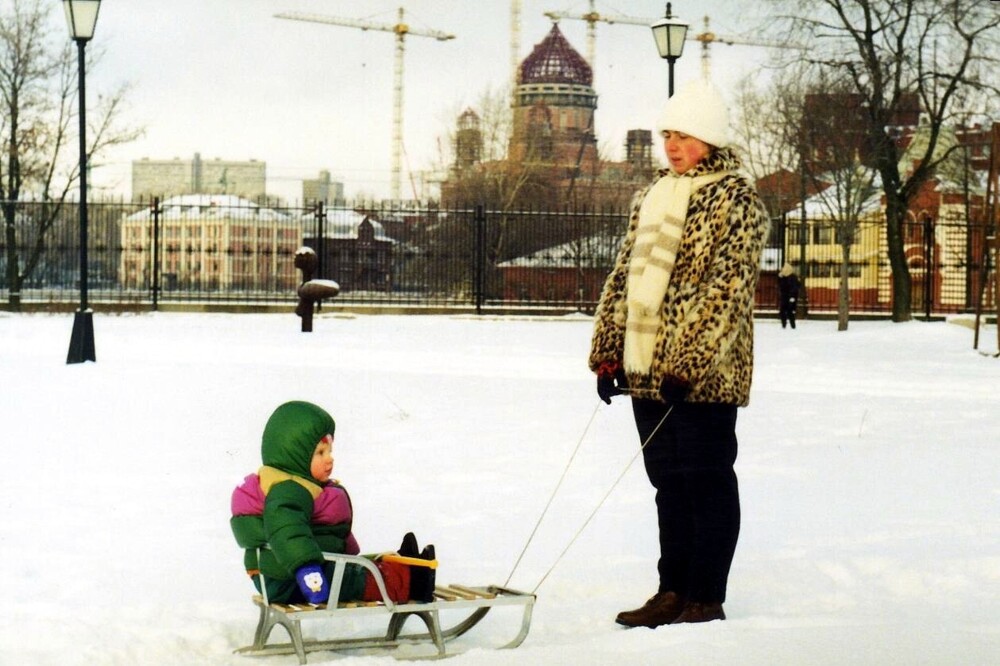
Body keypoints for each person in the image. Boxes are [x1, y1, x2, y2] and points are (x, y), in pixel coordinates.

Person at [589, 80, 769, 628]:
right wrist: (609, 352)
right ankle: (672, 591)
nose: (672, 145)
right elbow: (626, 275)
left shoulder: (738, 199)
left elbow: (727, 290)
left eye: (685, 136)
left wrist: (687, 363)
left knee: (705, 478)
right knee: (667, 480)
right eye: (668, 134)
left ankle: (705, 596)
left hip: (704, 375)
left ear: (710, 140)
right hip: (647, 369)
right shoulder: (651, 194)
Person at [230, 400, 435, 605]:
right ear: (296, 455)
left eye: (330, 451)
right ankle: (413, 582)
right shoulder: (289, 489)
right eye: (320, 453)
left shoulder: (298, 484)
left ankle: (403, 563)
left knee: (354, 569)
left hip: (288, 572)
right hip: (294, 579)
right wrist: (306, 568)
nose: (330, 459)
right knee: (356, 579)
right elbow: (287, 531)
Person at [777, 262, 800, 329]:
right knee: (782, 311)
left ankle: (793, 326)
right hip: (784, 297)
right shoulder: (783, 277)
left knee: (790, 312)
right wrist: (779, 277)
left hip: (790, 297)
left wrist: (792, 297)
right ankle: (784, 325)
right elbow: (780, 285)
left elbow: (795, 287)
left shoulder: (793, 278)